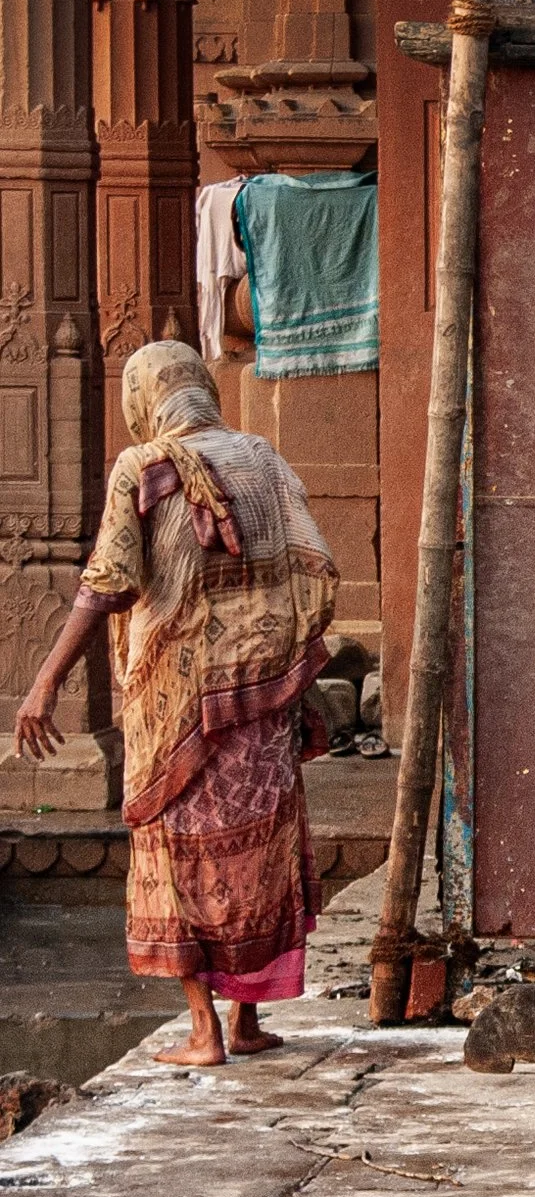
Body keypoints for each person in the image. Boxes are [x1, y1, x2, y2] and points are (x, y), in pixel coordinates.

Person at [11, 342, 337, 1068]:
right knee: (258, 854)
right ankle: (245, 1019)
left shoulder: (141, 467)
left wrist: (47, 680)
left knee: (178, 857)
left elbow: (106, 582)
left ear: (147, 397)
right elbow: (310, 568)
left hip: (178, 710)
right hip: (260, 705)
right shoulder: (261, 457)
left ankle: (205, 1031)